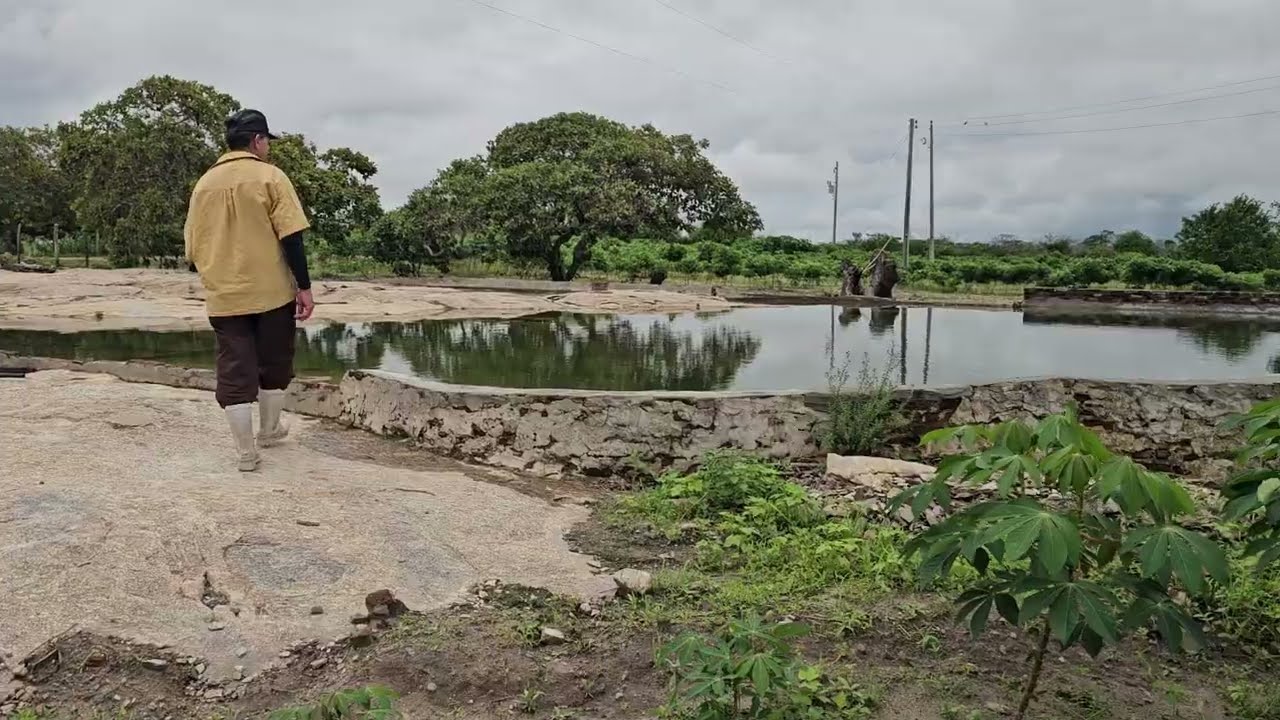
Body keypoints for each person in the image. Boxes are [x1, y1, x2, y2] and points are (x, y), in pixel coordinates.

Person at [184, 109, 315, 472]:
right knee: (275, 361)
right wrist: (303, 286)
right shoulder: (271, 177)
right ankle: (269, 431)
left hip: (224, 295)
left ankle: (245, 453)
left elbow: (192, 249)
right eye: (267, 141)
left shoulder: (203, 184)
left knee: (234, 369)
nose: (268, 147)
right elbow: (292, 237)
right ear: (258, 140)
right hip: (271, 291)